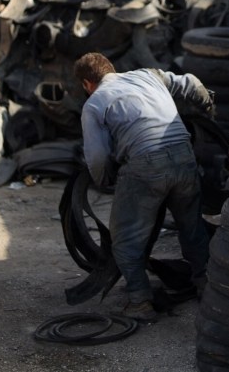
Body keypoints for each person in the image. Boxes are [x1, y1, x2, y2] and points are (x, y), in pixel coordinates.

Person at [74, 51, 214, 322]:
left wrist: (105, 181)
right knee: (192, 228)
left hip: (145, 164)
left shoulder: (94, 104)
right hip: (184, 155)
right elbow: (191, 83)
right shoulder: (148, 75)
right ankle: (206, 287)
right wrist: (208, 105)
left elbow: (98, 157)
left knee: (125, 239)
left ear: (87, 84)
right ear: (112, 70)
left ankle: (140, 301)